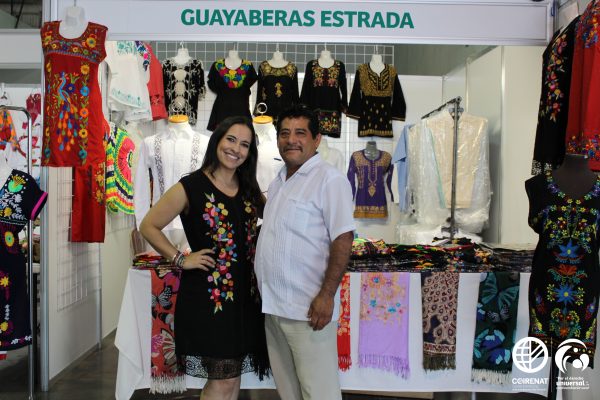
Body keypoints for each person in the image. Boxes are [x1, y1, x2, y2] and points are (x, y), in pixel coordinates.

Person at [139, 116, 269, 400]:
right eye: (231, 140)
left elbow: (272, 218)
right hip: (211, 300)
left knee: (232, 379)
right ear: (217, 141)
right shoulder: (191, 187)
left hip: (245, 300)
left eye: (245, 144)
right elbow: (148, 225)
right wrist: (180, 259)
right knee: (222, 381)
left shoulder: (248, 186)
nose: (236, 149)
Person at [255, 104, 356, 400]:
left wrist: (326, 296)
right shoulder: (279, 179)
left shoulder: (329, 179)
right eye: (284, 133)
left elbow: (343, 239)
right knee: (289, 392)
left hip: (307, 311)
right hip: (273, 308)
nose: (291, 140)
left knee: (319, 392)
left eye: (300, 133)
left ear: (317, 139)